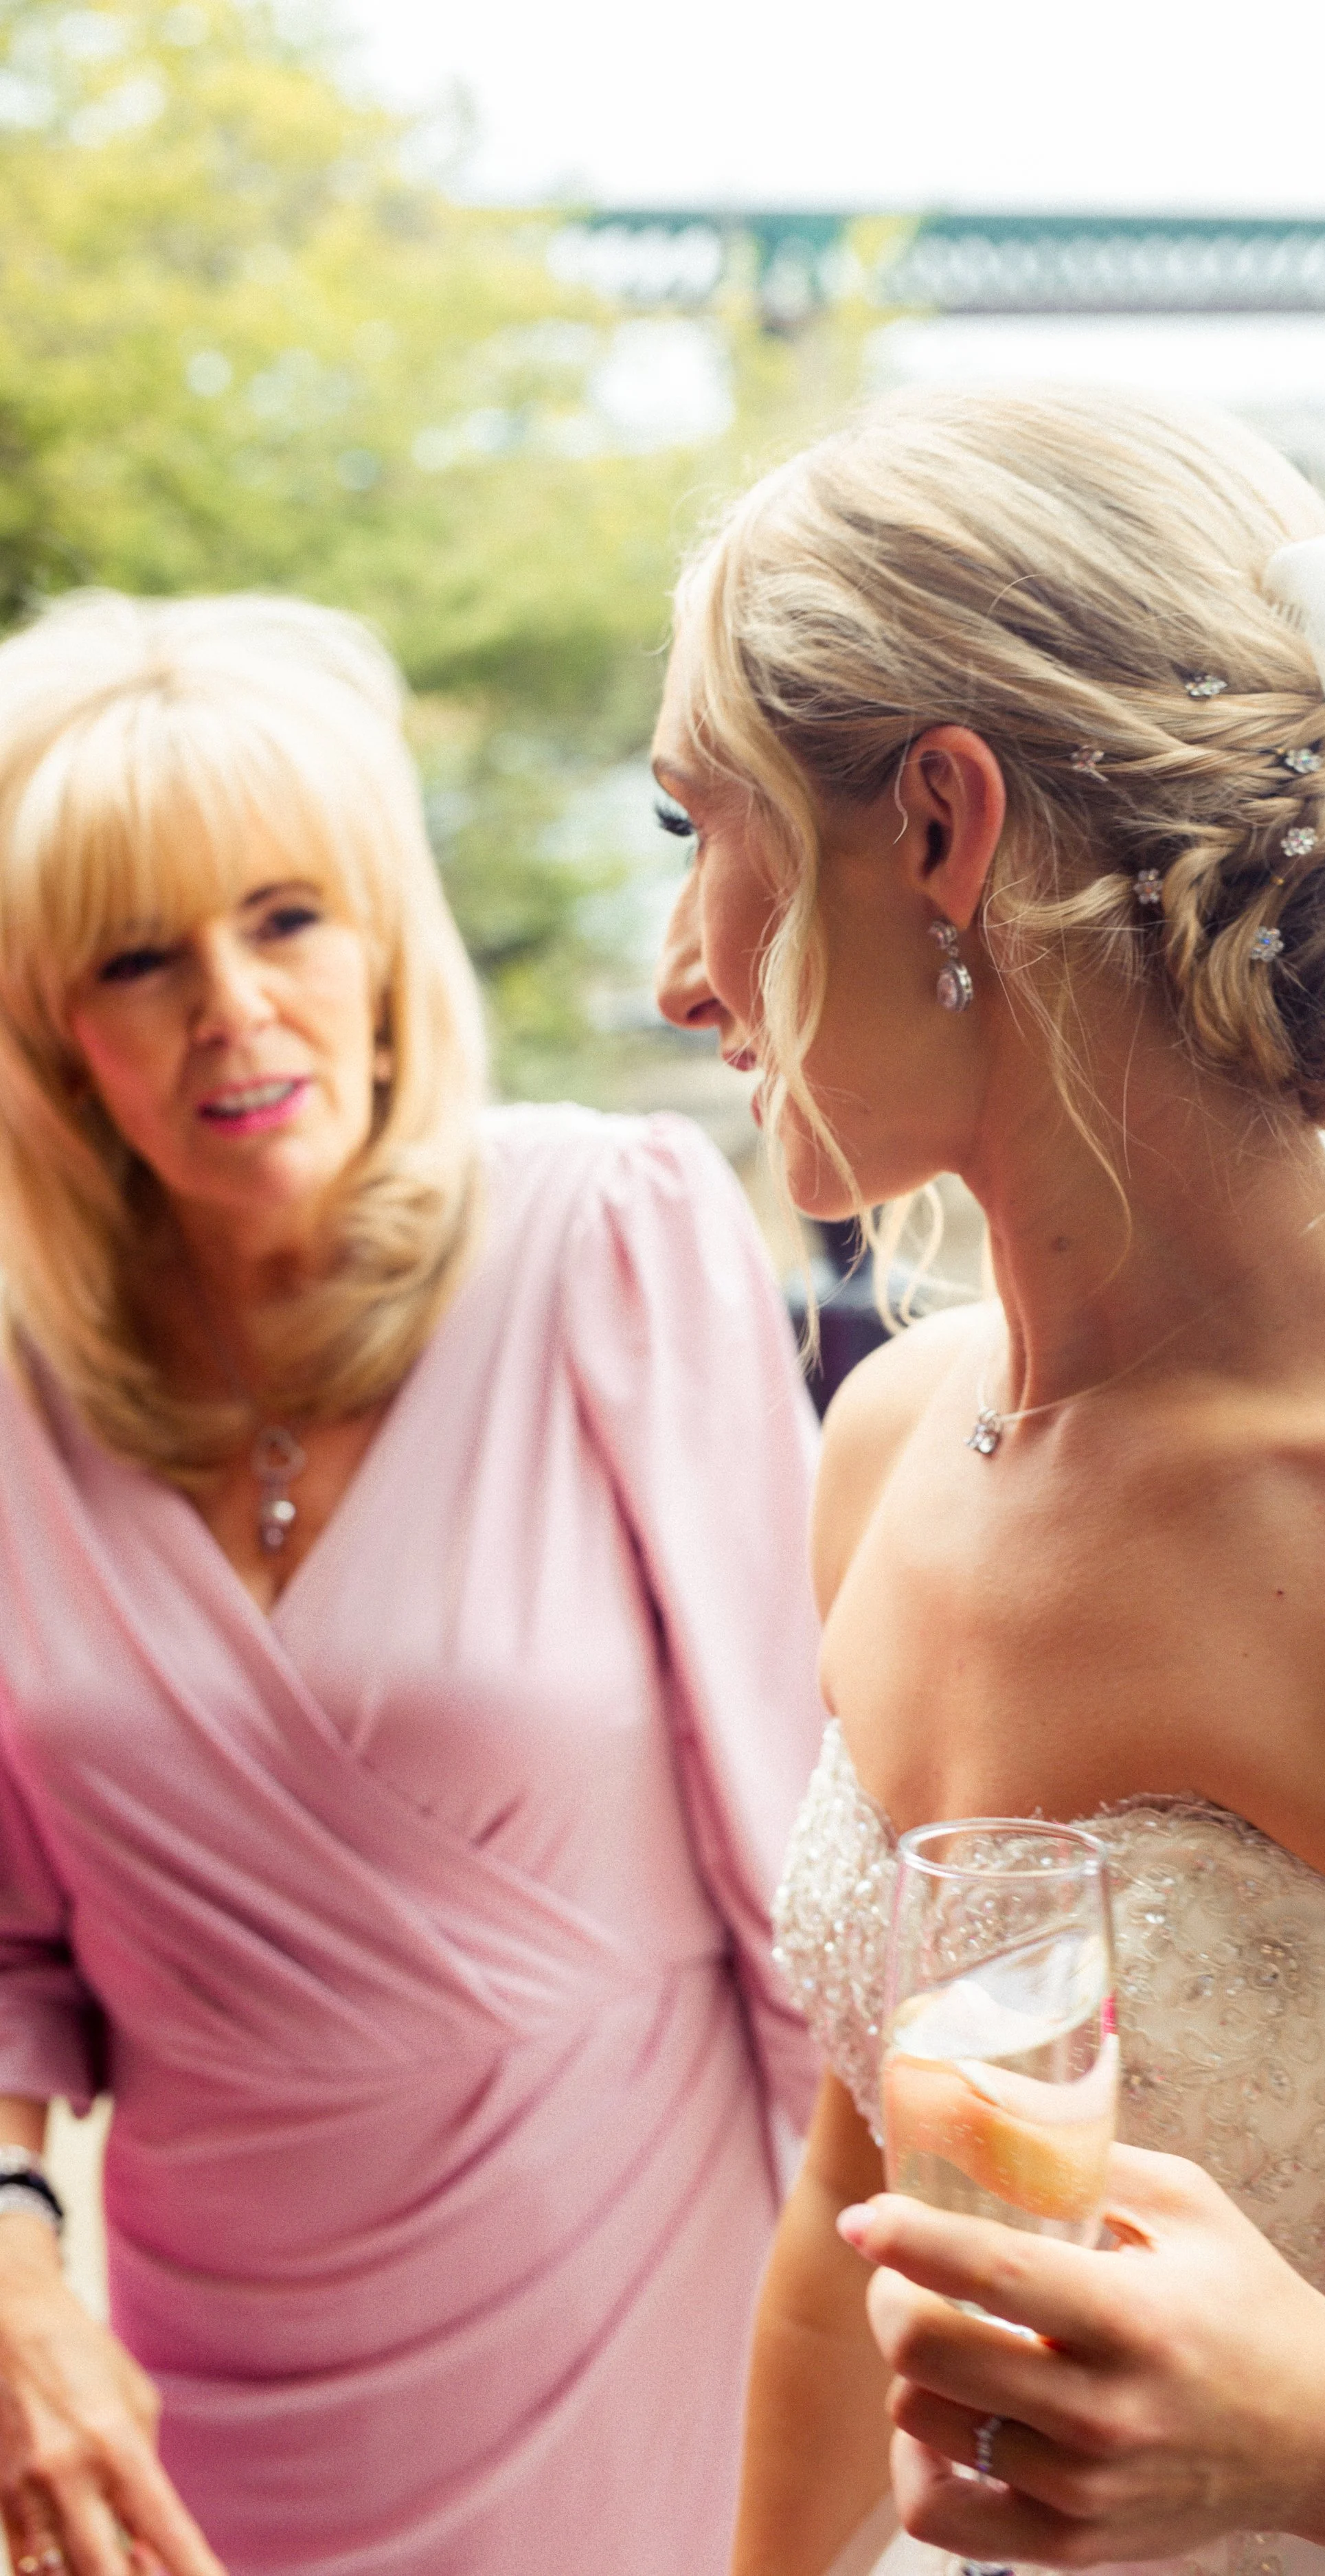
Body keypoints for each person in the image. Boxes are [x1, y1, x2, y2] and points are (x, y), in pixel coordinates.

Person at [651, 385, 1325, 2576]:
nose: (680, 974)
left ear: (941, 826)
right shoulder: (886, 1445)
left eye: (701, 830)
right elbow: (848, 2251)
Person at [0, 591, 824, 2576]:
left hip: (649, 2327)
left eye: (285, 917)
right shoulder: (9, 1391)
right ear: (51, 1026)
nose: (233, 1011)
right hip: (201, 2419)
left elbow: (809, 1866)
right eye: (140, 956)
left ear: (381, 947)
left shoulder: (612, 1234)